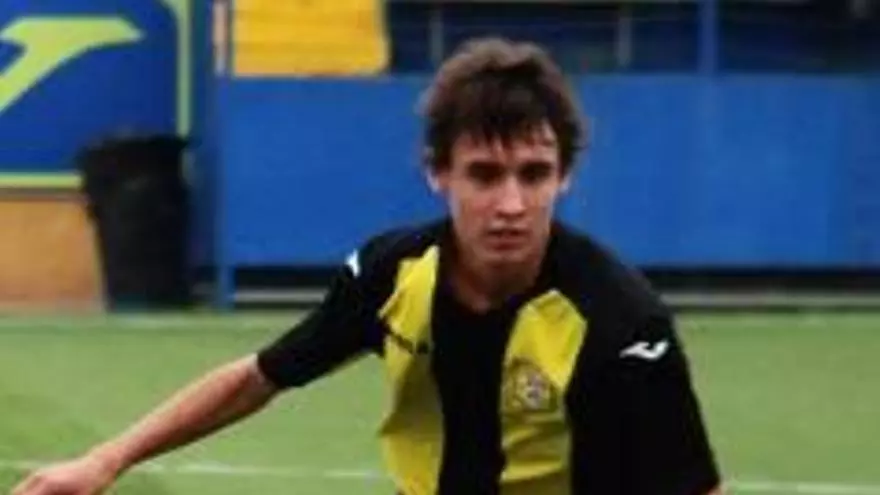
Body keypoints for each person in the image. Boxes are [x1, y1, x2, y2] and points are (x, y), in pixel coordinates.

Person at [12, 37, 723, 495]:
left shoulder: (622, 322)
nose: (511, 204)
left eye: (534, 174)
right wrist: (105, 460)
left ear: (564, 177)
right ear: (437, 172)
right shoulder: (393, 274)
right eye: (484, 174)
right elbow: (259, 377)